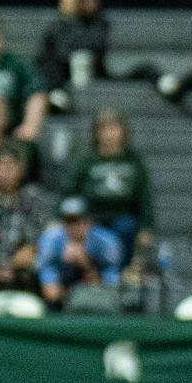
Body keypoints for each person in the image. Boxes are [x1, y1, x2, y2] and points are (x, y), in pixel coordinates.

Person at [69, 110, 154, 267]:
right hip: (92, 219)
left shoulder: (134, 161)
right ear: (96, 133)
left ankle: (119, 272)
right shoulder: (86, 160)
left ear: (123, 132)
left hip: (123, 219)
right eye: (104, 129)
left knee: (126, 227)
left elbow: (145, 197)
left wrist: (147, 228)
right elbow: (70, 191)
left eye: (114, 128)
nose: (109, 134)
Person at [0, 144, 53, 290]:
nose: (4, 172)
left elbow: (41, 236)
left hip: (24, 262)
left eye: (9, 167)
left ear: (21, 170)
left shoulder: (34, 197)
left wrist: (14, 263)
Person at [36, 0, 110, 108]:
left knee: (82, 58)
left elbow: (96, 48)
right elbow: (57, 50)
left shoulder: (101, 23)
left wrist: (89, 15)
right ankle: (57, 93)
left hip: (92, 71)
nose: (82, 2)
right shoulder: (58, 23)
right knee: (50, 62)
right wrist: (68, 18)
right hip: (61, 73)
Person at [36, 195, 124, 309]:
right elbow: (47, 272)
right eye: (68, 221)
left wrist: (86, 263)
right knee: (52, 295)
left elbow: (112, 281)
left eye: (78, 220)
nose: (73, 226)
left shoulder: (107, 241)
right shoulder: (51, 239)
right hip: (63, 285)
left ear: (90, 221)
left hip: (98, 289)